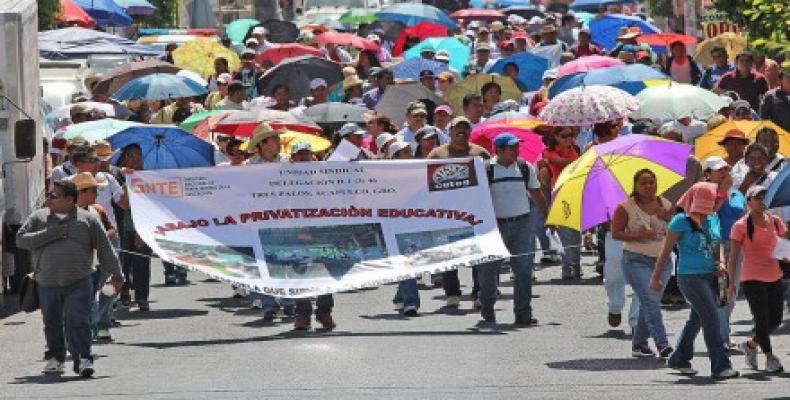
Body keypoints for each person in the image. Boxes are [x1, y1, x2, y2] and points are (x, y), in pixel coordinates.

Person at [17, 180, 123, 377]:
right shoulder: (39, 218)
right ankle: (55, 359)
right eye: (49, 195)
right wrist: (52, 234)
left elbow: (105, 250)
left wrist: (118, 276)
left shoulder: (88, 220)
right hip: (47, 282)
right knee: (52, 321)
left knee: (79, 321)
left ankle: (83, 359)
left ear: (69, 199)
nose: (48, 198)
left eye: (54, 195)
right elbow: (21, 240)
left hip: (80, 281)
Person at [651, 182, 739, 379]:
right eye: (710, 199)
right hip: (690, 278)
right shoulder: (680, 221)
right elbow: (665, 252)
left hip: (712, 276)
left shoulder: (713, 218)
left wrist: (722, 264)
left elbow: (718, 246)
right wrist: (656, 278)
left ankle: (679, 358)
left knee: (696, 319)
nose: (714, 204)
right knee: (712, 318)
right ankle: (720, 366)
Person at [478, 133, 548, 324]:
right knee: (488, 271)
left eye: (517, 146)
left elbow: (536, 192)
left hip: (522, 225)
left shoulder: (525, 167)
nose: (517, 150)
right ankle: (487, 306)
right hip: (494, 227)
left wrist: (548, 217)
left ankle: (523, 312)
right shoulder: (486, 170)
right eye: (512, 147)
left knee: (524, 270)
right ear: (498, 150)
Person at [428, 117, 491, 307]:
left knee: (478, 255)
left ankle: (479, 292)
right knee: (450, 254)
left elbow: (490, 180)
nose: (461, 131)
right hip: (447, 214)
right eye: (457, 128)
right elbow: (426, 182)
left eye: (465, 128)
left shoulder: (480, 153)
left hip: (475, 212)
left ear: (470, 132)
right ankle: (452, 293)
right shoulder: (437, 154)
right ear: (450, 131)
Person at [612, 169, 674, 358]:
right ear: (635, 186)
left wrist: (667, 217)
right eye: (643, 183)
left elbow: (676, 229)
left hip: (662, 261)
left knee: (651, 301)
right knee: (650, 300)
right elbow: (616, 233)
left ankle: (639, 344)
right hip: (635, 260)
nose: (648, 186)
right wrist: (639, 235)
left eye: (651, 182)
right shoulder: (625, 207)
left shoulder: (665, 204)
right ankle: (662, 342)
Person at [727, 185, 787, 373]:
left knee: (776, 319)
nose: (762, 201)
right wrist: (730, 283)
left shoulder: (776, 221)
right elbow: (734, 257)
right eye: (758, 198)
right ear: (748, 201)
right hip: (752, 276)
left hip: (774, 274)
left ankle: (751, 345)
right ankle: (770, 357)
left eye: (764, 197)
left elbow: (783, 246)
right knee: (761, 319)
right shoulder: (740, 226)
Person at [244, 124, 294, 320]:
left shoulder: (288, 163)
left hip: (286, 219)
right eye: (273, 139)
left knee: (287, 262)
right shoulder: (249, 167)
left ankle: (289, 300)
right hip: (260, 221)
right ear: (263, 144)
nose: (278, 142)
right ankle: (269, 304)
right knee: (264, 263)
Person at [290, 141, 337, 330]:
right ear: (293, 158)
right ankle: (302, 313)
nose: (303, 158)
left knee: (327, 271)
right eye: (299, 155)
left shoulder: (324, 177)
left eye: (306, 154)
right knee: (298, 273)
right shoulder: (282, 177)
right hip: (294, 231)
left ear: (312, 156)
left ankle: (324, 312)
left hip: (322, 231)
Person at [702, 156, 745, 348]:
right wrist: (721, 191)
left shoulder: (736, 194)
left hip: (736, 247)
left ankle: (723, 330)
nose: (723, 173)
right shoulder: (703, 192)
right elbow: (707, 214)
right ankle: (720, 336)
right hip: (714, 245)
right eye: (718, 170)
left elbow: (741, 215)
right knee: (719, 291)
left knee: (731, 291)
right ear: (707, 174)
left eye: (725, 169)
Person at [72, 173, 117, 341]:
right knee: (85, 299)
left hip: (99, 262)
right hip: (78, 266)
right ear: (82, 192)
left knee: (107, 291)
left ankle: (102, 325)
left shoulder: (98, 209)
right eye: (94, 190)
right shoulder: (67, 213)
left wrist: (103, 236)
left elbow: (111, 229)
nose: (97, 194)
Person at [386, 141, 422, 315]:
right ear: (394, 157)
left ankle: (402, 296)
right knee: (406, 262)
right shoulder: (382, 177)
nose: (410, 155)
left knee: (410, 261)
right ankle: (411, 301)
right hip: (393, 224)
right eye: (405, 152)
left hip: (414, 221)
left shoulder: (417, 172)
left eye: (410, 151)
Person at [759, 67, 790, 132]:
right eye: (788, 77)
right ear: (780, 79)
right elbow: (763, 117)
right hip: (778, 136)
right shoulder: (771, 95)